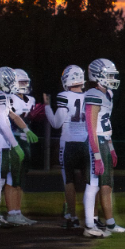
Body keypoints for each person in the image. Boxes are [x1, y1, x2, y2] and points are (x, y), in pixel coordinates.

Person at [83, 58, 125, 236]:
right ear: (98, 75)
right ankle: (90, 225)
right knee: (93, 184)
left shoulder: (107, 94)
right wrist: (96, 154)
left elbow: (106, 124)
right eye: (109, 75)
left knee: (106, 185)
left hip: (104, 141)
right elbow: (91, 126)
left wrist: (110, 147)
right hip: (94, 143)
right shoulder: (93, 94)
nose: (112, 78)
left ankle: (109, 223)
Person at [45, 65, 88, 230]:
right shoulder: (89, 96)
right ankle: (92, 217)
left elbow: (56, 123)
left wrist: (47, 106)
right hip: (85, 143)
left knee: (69, 181)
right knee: (89, 182)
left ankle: (73, 217)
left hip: (69, 143)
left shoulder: (64, 96)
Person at [0, 67, 27, 227]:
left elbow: (12, 116)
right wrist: (15, 145)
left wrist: (25, 129)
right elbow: (2, 122)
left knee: (0, 180)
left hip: (1, 141)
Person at [8, 69, 39, 225]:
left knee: (20, 179)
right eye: (21, 82)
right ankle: (12, 213)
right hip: (13, 141)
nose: (25, 85)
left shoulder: (30, 100)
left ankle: (17, 212)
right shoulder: (9, 98)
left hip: (25, 141)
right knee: (11, 178)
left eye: (26, 82)